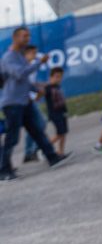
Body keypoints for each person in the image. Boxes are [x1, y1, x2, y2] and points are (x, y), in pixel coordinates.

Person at [1, 28, 73, 181]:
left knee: (37, 131)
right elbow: (20, 74)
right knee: (12, 137)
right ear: (15, 38)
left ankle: (52, 158)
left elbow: (25, 81)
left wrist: (39, 88)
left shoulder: (20, 56)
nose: (27, 38)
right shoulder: (8, 57)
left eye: (28, 36)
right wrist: (39, 62)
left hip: (24, 101)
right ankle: (4, 170)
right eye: (24, 36)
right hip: (13, 103)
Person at [44, 66, 69, 156]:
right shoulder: (48, 88)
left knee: (64, 132)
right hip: (55, 114)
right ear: (51, 77)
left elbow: (61, 101)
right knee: (60, 133)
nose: (59, 79)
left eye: (60, 76)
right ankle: (44, 147)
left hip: (62, 113)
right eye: (56, 76)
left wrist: (65, 111)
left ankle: (61, 152)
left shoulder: (57, 87)